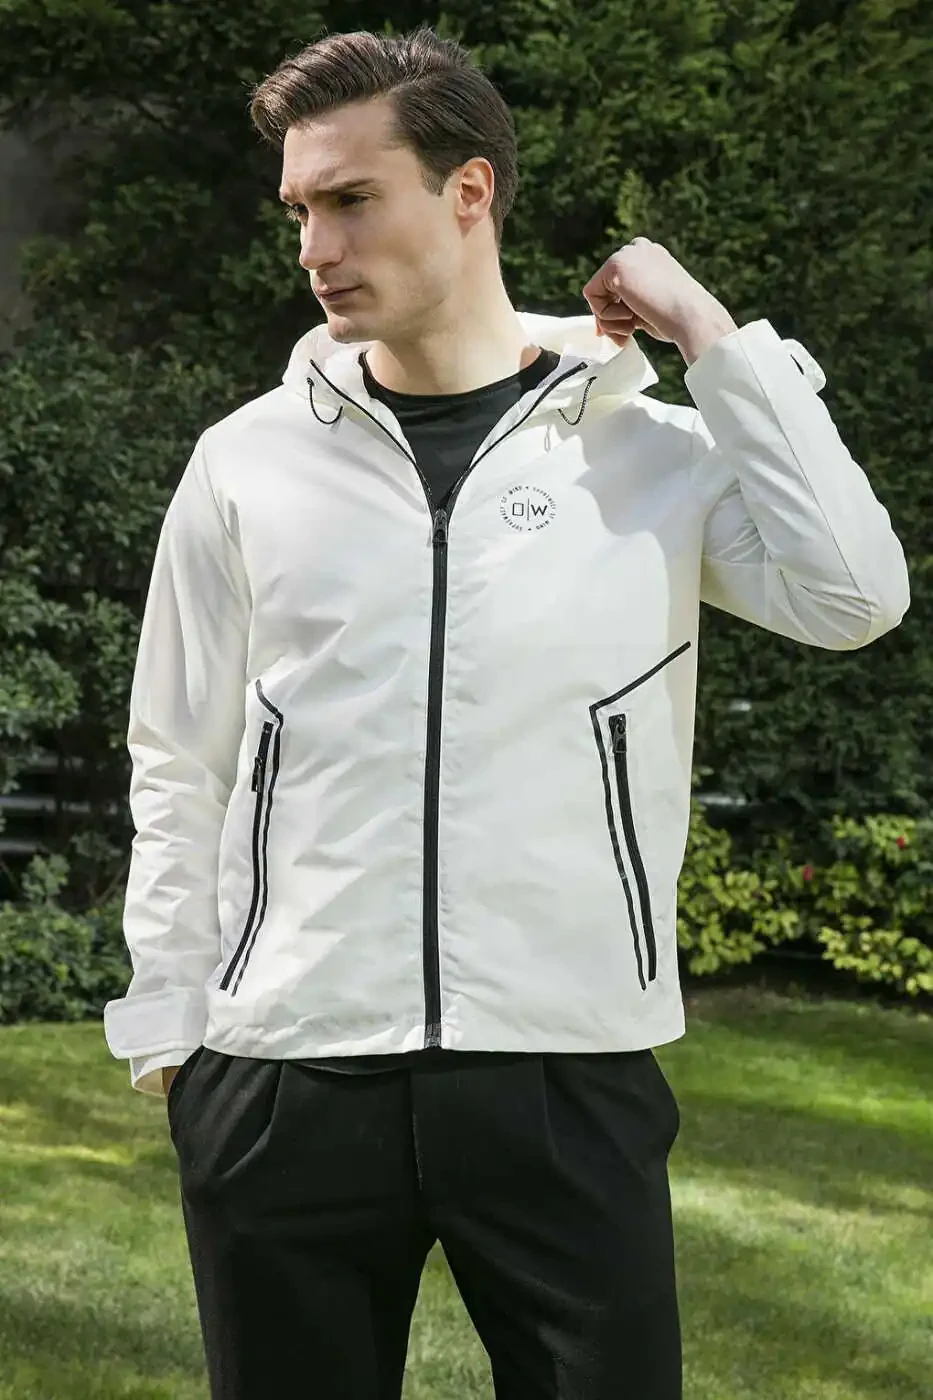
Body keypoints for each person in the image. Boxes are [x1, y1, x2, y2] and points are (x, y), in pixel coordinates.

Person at [102, 22, 909, 1400]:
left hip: (565, 1068)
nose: (315, 248)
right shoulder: (245, 463)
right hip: (287, 1075)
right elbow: (181, 756)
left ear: (468, 191)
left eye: (352, 200)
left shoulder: (653, 455)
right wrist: (175, 1040)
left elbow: (854, 594)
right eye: (300, 209)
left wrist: (718, 342)